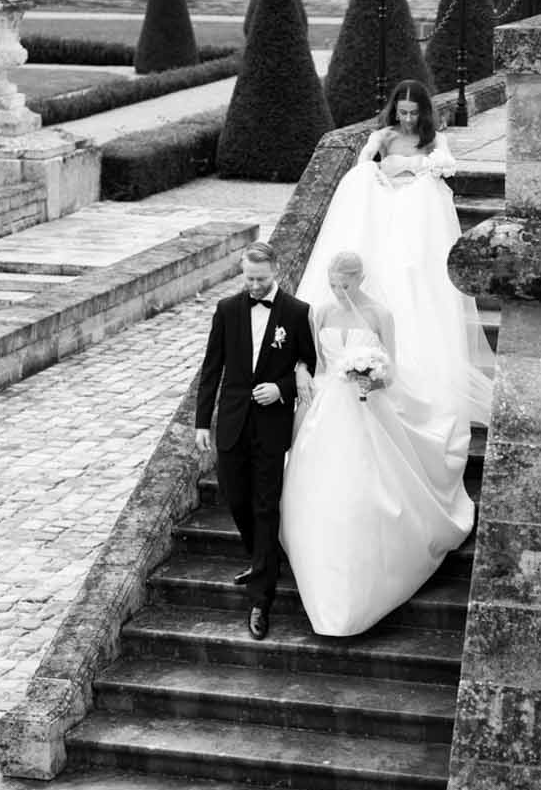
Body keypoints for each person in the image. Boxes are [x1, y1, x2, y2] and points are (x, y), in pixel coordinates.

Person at [281, 251, 473, 639]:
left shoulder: (380, 316)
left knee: (369, 485)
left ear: (360, 280)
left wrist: (372, 378)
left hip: (369, 406)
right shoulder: (320, 313)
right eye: (334, 284)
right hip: (327, 406)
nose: (339, 291)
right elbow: (313, 362)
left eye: (345, 284)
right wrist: (303, 377)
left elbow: (393, 371)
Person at [296, 80, 495, 427]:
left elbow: (443, 165)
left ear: (423, 113)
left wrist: (421, 170)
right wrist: (380, 170)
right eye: (401, 112)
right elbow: (363, 164)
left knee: (411, 274)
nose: (406, 119)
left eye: (412, 113)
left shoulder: (434, 139)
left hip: (415, 218)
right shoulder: (384, 137)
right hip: (384, 209)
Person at [195, 240, 316, 641]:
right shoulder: (227, 310)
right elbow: (212, 368)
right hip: (231, 421)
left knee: (266, 505)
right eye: (248, 278)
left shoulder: (297, 313)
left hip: (270, 425)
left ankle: (260, 600)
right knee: (235, 496)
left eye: (260, 279)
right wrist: (201, 423)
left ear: (275, 271)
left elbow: (309, 364)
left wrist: (281, 389)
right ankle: (263, 558)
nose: (254, 285)